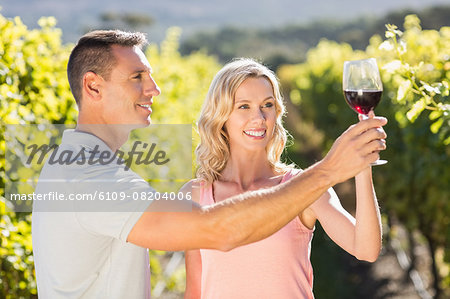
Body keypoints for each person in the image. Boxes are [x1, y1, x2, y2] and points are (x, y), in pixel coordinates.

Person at [31, 30, 387, 299]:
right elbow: (216, 235)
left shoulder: (95, 170)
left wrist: (355, 166)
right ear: (93, 86)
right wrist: (329, 169)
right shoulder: (88, 179)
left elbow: (365, 248)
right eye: (137, 76)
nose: (154, 88)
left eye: (266, 105)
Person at [184, 58, 383, 299]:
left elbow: (366, 249)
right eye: (244, 106)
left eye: (267, 105)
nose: (259, 117)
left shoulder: (302, 187)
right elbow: (195, 289)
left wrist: (362, 164)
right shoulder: (195, 195)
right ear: (221, 116)